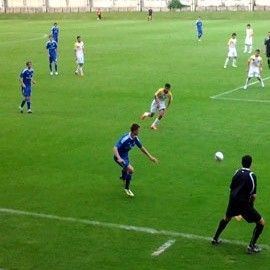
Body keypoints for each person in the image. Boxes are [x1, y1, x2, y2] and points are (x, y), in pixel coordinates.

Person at [212, 155, 265, 254]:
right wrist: (251, 207)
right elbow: (253, 195)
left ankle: (215, 239)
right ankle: (251, 246)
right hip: (244, 205)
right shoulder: (252, 175)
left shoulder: (237, 172)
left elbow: (231, 188)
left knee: (226, 218)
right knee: (261, 222)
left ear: (242, 163)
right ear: (251, 164)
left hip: (233, 201)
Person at [113, 123, 158, 197]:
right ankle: (127, 189)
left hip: (125, 156)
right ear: (134, 130)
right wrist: (119, 158)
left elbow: (142, 148)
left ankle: (123, 177)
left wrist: (150, 157)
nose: (139, 132)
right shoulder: (126, 138)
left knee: (126, 168)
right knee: (131, 170)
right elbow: (115, 148)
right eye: (138, 130)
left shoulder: (135, 138)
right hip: (119, 157)